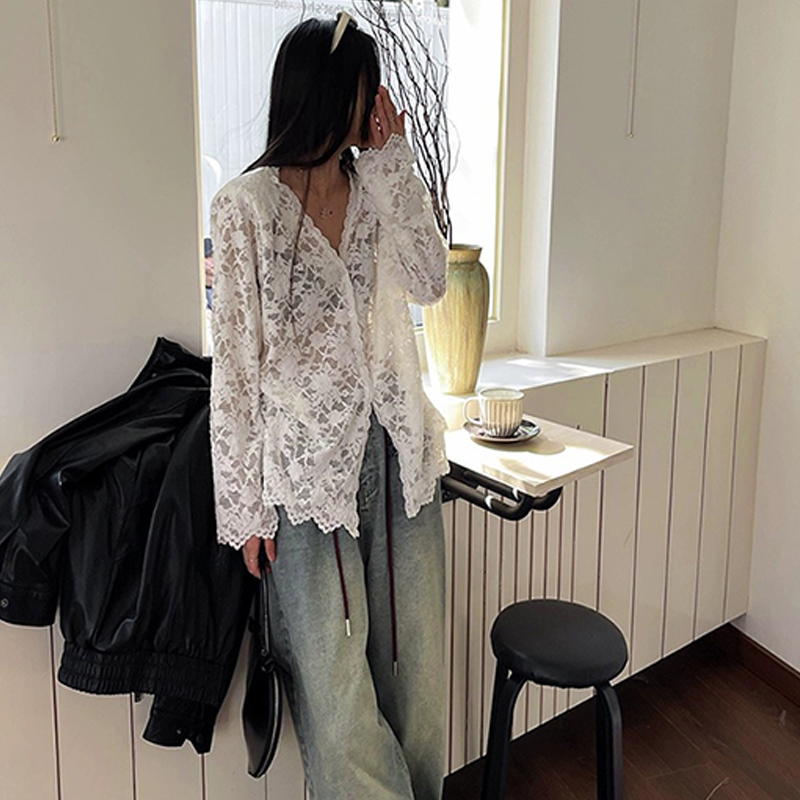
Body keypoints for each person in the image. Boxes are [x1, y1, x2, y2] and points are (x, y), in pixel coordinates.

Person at [208, 12, 450, 800]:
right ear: (325, 91)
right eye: (364, 88)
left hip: (400, 459)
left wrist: (394, 162)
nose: (376, 104)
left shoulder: (378, 187)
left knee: (417, 685)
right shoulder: (245, 210)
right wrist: (245, 510)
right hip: (305, 480)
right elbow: (235, 373)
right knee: (339, 705)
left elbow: (432, 280)